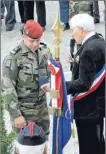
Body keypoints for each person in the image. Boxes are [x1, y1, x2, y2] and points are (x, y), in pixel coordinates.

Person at [1, 20, 51, 154]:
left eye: (38, 40)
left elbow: (51, 72)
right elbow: (7, 89)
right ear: (23, 36)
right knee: (26, 149)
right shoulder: (13, 58)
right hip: (24, 113)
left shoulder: (44, 51)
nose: (35, 44)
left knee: (43, 147)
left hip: (42, 111)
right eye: (31, 41)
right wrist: (16, 115)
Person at [66, 13, 105, 154]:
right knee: (98, 142)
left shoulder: (89, 50)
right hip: (98, 106)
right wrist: (75, 64)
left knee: (89, 146)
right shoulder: (99, 41)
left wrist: (61, 85)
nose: (72, 34)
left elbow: (84, 83)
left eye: (73, 30)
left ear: (81, 29)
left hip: (88, 108)